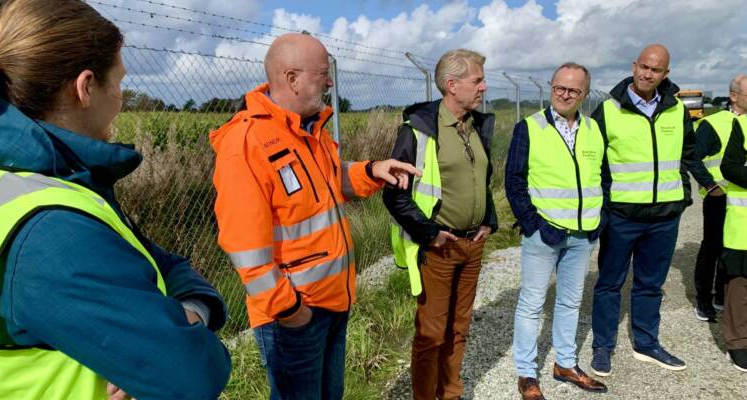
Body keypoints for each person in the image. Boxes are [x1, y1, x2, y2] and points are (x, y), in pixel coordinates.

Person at [0, 1, 231, 399]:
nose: (120, 98)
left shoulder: (20, 182)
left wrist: (191, 312)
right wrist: (181, 327)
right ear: (85, 88)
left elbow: (160, 263)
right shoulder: (49, 229)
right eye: (118, 82)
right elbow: (196, 373)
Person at [210, 33, 419, 400]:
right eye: (322, 73)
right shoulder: (247, 143)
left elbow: (329, 179)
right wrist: (291, 311)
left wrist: (372, 171)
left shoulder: (309, 130)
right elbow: (245, 249)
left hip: (333, 302)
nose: (329, 82)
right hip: (294, 316)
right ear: (291, 78)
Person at [589, 44, 710, 376]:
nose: (647, 74)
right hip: (621, 217)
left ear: (665, 74)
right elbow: (593, 161)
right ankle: (602, 346)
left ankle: (646, 343)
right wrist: (600, 206)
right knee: (610, 283)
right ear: (634, 65)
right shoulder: (609, 109)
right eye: (643, 66)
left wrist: (701, 188)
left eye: (655, 70)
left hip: (664, 217)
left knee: (650, 284)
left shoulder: (676, 111)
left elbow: (688, 153)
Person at [383, 49, 497, 400]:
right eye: (477, 80)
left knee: (459, 328)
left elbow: (482, 179)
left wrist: (488, 220)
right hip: (438, 248)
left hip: (472, 246)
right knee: (431, 334)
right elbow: (394, 195)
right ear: (452, 85)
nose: (483, 87)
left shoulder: (476, 125)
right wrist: (429, 233)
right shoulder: (419, 131)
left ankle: (451, 393)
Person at [505, 63, 607, 399]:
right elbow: (514, 181)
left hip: (583, 234)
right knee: (532, 303)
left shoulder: (593, 129)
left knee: (570, 302)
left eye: (573, 90)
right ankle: (526, 373)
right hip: (543, 235)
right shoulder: (529, 128)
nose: (565, 94)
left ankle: (565, 363)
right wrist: (533, 224)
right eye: (559, 87)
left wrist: (599, 218)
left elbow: (603, 177)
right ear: (551, 87)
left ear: (584, 94)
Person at [691, 75, 747, 321]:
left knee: (734, 249)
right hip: (719, 197)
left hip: (742, 200)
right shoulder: (713, 124)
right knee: (712, 248)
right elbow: (692, 156)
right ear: (733, 96)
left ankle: (723, 296)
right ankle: (704, 299)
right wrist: (710, 185)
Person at [719, 112, 747, 373]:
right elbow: (730, 167)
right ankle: (739, 343)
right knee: (740, 287)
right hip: (743, 227)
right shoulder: (744, 125)